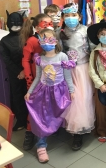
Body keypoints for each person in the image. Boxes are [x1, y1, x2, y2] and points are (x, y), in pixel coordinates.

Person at [24, 29, 74, 163]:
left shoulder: (62, 56)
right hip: (43, 91)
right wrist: (30, 92)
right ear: (40, 42)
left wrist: (72, 90)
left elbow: (67, 75)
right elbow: (38, 77)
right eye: (43, 39)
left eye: (49, 39)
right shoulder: (40, 59)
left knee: (58, 113)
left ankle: (59, 131)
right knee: (42, 116)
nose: (46, 42)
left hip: (59, 91)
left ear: (55, 41)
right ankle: (41, 145)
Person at [58, 3, 95, 150]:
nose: (71, 18)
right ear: (63, 17)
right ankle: (76, 132)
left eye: (73, 15)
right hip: (67, 71)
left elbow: (92, 50)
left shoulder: (86, 31)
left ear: (79, 16)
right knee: (73, 100)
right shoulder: (59, 32)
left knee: (85, 98)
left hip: (84, 69)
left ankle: (84, 125)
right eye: (67, 15)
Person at [20, 13, 53, 150]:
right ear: (37, 27)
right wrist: (29, 80)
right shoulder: (33, 41)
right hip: (36, 80)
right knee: (35, 107)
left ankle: (48, 130)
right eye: (45, 24)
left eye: (50, 23)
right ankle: (30, 132)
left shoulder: (52, 39)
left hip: (50, 80)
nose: (49, 26)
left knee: (48, 106)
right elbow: (25, 60)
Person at [0, 11, 28, 131]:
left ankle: (32, 119)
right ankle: (21, 121)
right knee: (17, 96)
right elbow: (7, 59)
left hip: (29, 72)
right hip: (15, 74)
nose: (16, 25)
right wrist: (19, 72)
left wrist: (25, 71)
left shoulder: (27, 36)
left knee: (30, 95)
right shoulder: (4, 41)